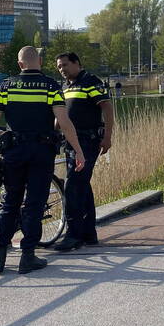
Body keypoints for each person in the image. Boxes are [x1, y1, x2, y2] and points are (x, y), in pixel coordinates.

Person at [0, 46, 88, 275]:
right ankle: (27, 256)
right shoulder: (51, 86)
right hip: (41, 152)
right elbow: (65, 123)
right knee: (34, 204)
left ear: (20, 64)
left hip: (14, 152)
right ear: (39, 61)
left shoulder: (7, 86)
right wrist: (78, 150)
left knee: (10, 202)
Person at [51, 52, 115, 252]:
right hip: (71, 141)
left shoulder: (90, 81)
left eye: (65, 65)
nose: (62, 70)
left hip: (88, 140)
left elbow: (107, 108)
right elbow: (63, 113)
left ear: (77, 63)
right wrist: (54, 132)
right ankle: (89, 234)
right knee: (83, 186)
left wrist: (107, 137)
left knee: (73, 186)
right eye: (59, 67)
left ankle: (73, 235)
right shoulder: (66, 86)